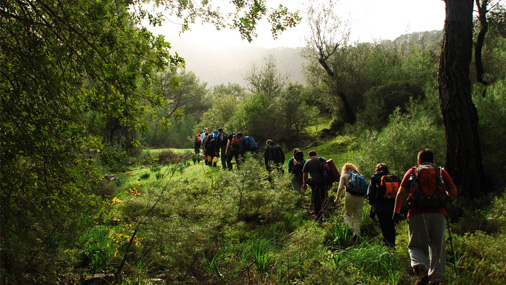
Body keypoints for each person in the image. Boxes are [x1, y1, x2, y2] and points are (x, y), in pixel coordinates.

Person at [393, 148, 457, 285]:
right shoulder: (440, 171)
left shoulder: (412, 171)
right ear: (433, 160)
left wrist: (396, 212)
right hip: (438, 213)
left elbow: (401, 192)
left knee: (415, 245)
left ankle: (420, 266)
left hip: (417, 213)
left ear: (418, 160)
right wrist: (442, 193)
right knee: (437, 246)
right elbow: (453, 192)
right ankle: (437, 279)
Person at [367, 163, 400, 247]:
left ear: (377, 169)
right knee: (391, 225)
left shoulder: (374, 177)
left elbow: (370, 192)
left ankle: (388, 245)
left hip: (380, 206)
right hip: (393, 205)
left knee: (384, 225)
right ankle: (392, 243)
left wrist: (372, 203)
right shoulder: (394, 177)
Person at [334, 163, 366, 239]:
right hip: (360, 196)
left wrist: (337, 198)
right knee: (357, 216)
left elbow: (340, 188)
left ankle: (349, 231)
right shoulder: (359, 175)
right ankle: (356, 234)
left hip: (350, 196)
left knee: (348, 214)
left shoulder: (344, 175)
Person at [302, 150, 328, 221]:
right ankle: (326, 213)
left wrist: (304, 184)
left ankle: (318, 216)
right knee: (324, 196)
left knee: (316, 199)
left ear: (309, 156)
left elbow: (304, 174)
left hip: (315, 182)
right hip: (324, 181)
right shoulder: (322, 160)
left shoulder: (308, 162)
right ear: (316, 155)